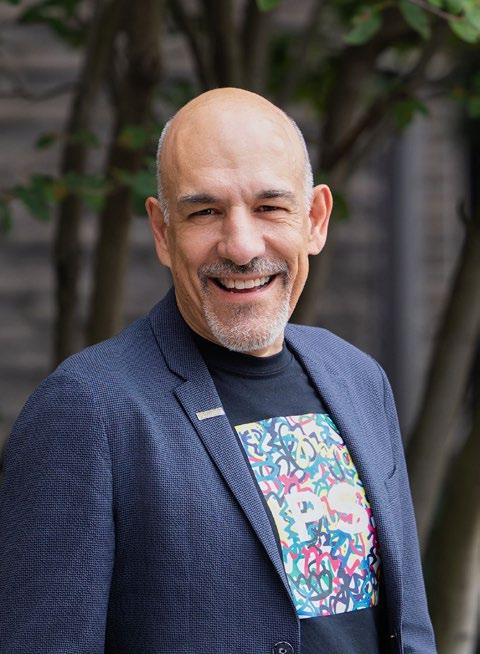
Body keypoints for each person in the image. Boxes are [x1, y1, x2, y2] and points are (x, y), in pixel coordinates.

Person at [0, 88, 436, 654]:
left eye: (269, 207)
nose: (241, 246)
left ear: (315, 219)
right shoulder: (87, 409)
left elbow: (409, 626)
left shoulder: (357, 378)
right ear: (163, 232)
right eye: (205, 212)